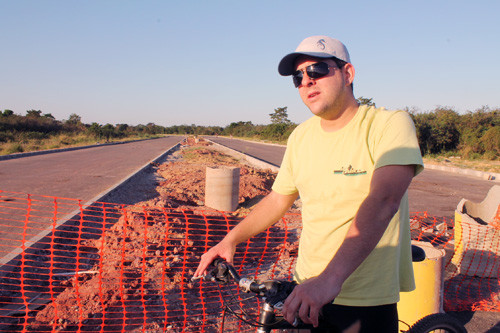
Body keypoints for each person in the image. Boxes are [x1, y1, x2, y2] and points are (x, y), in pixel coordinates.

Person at [194, 35, 424, 332]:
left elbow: (384, 201)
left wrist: (328, 281)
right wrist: (231, 240)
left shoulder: (388, 124)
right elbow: (278, 200)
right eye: (298, 77)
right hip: (306, 291)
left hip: (363, 299)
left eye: (316, 70)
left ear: (348, 74)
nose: (306, 81)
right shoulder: (300, 137)